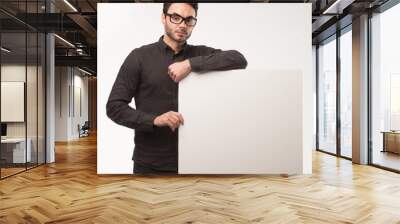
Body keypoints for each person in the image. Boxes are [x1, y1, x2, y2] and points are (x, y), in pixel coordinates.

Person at [106, 2, 247, 175]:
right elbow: (114, 107)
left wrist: (190, 64)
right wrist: (154, 120)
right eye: (176, 17)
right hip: (151, 164)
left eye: (189, 20)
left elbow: (238, 59)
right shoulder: (139, 57)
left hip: (199, 161)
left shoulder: (201, 53)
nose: (182, 25)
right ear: (163, 18)